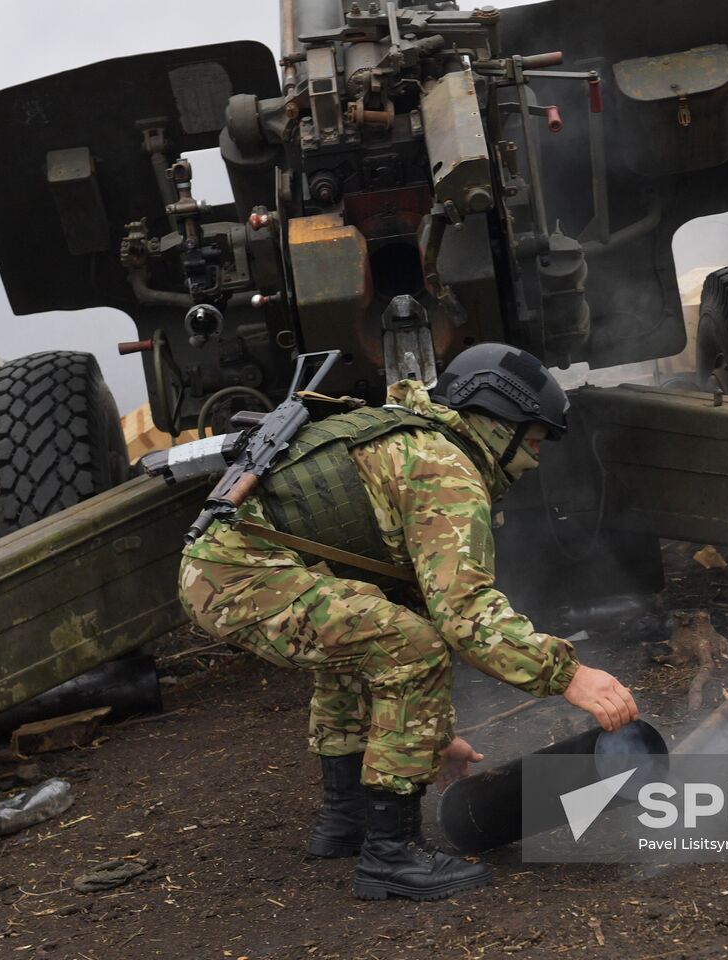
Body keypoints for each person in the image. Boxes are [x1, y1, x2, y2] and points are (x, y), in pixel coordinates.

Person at [178, 343, 639, 901]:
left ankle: (346, 821)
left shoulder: (416, 438)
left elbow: (416, 598)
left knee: (371, 630)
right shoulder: (447, 472)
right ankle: (391, 855)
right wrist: (569, 676)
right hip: (240, 577)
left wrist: (433, 735)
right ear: (497, 424)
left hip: (227, 570)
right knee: (411, 648)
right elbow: (464, 617)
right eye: (534, 441)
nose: (535, 460)